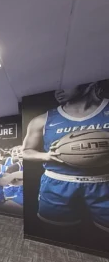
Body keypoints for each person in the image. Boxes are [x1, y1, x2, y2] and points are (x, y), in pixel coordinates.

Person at [22, 81, 109, 231]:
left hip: (104, 183)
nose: (58, 90)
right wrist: (46, 156)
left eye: (65, 84)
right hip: (58, 183)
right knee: (57, 232)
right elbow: (25, 151)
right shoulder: (42, 120)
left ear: (88, 83)